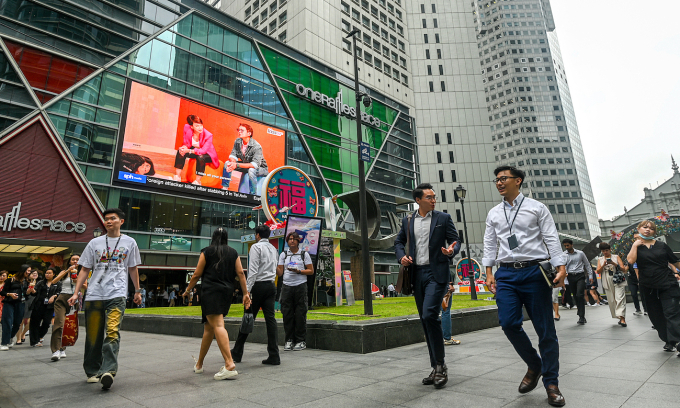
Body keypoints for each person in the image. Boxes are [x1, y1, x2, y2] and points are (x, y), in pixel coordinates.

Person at [483, 166, 566, 407]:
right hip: (506, 274)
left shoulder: (536, 208)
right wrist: (489, 272)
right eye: (497, 180)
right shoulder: (494, 213)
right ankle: (535, 363)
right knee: (508, 323)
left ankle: (551, 384)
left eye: (503, 179)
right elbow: (490, 243)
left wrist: (561, 267)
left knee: (545, 330)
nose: (499, 183)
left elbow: (551, 237)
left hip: (534, 272)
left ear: (518, 181)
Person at [68, 208, 142, 389]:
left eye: (112, 218)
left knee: (112, 331)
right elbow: (84, 269)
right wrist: (76, 293)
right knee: (93, 335)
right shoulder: (94, 243)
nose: (108, 221)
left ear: (121, 221)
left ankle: (108, 370)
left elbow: (133, 268)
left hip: (117, 294)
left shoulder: (130, 242)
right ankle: (92, 370)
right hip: (94, 295)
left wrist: (137, 290)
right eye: (106, 219)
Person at [395, 182, 460, 389]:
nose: (433, 200)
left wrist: (451, 250)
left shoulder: (443, 218)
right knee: (425, 319)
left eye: (434, 197)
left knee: (430, 314)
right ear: (418, 200)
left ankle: (440, 365)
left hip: (436, 273)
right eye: (429, 197)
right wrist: (401, 257)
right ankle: (436, 366)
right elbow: (398, 242)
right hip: (417, 274)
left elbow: (455, 240)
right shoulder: (408, 220)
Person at [184, 227, 250, 380]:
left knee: (218, 325)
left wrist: (188, 290)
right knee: (209, 327)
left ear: (213, 237)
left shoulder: (206, 251)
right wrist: (245, 293)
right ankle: (199, 364)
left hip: (210, 292)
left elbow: (197, 274)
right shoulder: (233, 252)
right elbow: (240, 273)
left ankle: (229, 364)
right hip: (226, 292)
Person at [627, 220, 680, 354]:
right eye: (645, 227)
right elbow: (631, 260)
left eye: (651, 228)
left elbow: (675, 261)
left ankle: (677, 341)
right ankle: (668, 340)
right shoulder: (636, 247)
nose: (648, 230)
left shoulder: (662, 246)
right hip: (648, 286)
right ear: (639, 229)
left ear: (654, 232)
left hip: (667, 283)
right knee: (656, 315)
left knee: (672, 312)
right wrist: (635, 245)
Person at [231, 225, 280, 365]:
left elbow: (252, 271)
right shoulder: (273, 249)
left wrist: (246, 291)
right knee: (271, 320)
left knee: (248, 316)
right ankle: (274, 355)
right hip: (271, 285)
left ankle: (237, 352)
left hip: (258, 286)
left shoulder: (256, 247)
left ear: (257, 235)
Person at [277, 232, 314, 351]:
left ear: (298, 241)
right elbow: (280, 273)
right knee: (287, 314)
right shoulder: (284, 254)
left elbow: (311, 271)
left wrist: (299, 271)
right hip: (286, 286)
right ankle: (289, 340)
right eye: (290, 239)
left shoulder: (304, 254)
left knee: (300, 313)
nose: (292, 241)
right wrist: (273, 265)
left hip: (300, 286)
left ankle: (300, 340)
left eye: (294, 239)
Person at [51, 254, 83, 361]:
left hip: (74, 300)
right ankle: (55, 350)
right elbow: (54, 281)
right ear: (69, 262)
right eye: (73, 259)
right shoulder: (64, 272)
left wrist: (77, 281)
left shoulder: (82, 272)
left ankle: (62, 348)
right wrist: (67, 271)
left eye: (77, 260)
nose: (75, 261)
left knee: (68, 325)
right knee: (59, 324)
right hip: (62, 298)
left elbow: (86, 286)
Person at [222, 123, 267, 195]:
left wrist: (236, 165)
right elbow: (233, 155)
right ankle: (225, 188)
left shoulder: (257, 146)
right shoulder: (238, 141)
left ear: (249, 133)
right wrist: (233, 163)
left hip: (261, 168)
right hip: (246, 166)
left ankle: (253, 194)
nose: (239, 132)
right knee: (227, 163)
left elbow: (255, 165)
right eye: (238, 130)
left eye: (242, 130)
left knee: (251, 170)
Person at [174, 115, 219, 185]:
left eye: (201, 125)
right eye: (197, 126)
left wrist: (188, 151)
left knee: (200, 157)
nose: (200, 128)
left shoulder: (208, 135)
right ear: (192, 126)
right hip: (195, 151)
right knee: (181, 152)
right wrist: (184, 147)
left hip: (208, 154)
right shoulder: (187, 128)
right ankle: (177, 176)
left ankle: (197, 181)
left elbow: (203, 151)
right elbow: (186, 142)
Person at [562, 239, 594, 325]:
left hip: (580, 275)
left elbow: (587, 264)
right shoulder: (564, 255)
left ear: (572, 244)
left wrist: (590, 276)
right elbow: (563, 267)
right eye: (565, 246)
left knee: (580, 294)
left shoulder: (580, 253)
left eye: (568, 245)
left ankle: (582, 316)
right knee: (575, 296)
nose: (566, 247)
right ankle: (580, 313)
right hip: (570, 276)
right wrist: (564, 280)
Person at [596, 243, 628, 327]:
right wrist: (603, 265)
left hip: (617, 278)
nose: (605, 252)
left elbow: (623, 269)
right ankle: (618, 316)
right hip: (607, 279)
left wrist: (614, 263)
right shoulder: (600, 259)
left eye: (606, 250)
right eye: (603, 251)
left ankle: (622, 318)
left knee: (620, 297)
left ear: (610, 249)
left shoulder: (616, 257)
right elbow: (598, 271)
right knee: (611, 300)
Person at [0, 265, 30, 351]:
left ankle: (10, 338)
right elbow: (3, 292)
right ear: (23, 270)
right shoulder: (11, 280)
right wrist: (10, 294)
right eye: (28, 270)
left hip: (20, 303)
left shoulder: (27, 281)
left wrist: (29, 292)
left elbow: (27, 294)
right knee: (7, 322)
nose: (29, 272)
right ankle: (4, 343)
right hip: (9, 303)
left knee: (17, 323)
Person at [29, 267, 61, 347]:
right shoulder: (41, 283)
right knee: (35, 323)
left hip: (50, 306)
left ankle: (39, 336)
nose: (47, 275)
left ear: (54, 274)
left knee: (46, 323)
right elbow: (35, 292)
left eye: (50, 273)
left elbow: (60, 292)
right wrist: (33, 290)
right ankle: (34, 341)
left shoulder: (58, 283)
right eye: (46, 273)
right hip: (39, 304)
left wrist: (54, 296)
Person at [17, 269, 39, 345]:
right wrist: (28, 291)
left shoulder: (39, 283)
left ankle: (23, 333)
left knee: (30, 321)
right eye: (33, 273)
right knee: (21, 320)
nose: (34, 274)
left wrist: (34, 291)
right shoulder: (24, 282)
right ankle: (18, 339)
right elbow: (23, 292)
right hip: (25, 301)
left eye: (36, 273)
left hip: (34, 302)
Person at [628, 233, 647, 316]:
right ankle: (638, 309)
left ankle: (646, 309)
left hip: (642, 276)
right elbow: (630, 263)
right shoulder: (632, 249)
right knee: (633, 294)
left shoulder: (645, 249)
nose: (636, 240)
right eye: (635, 238)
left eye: (638, 238)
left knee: (643, 294)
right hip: (632, 278)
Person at [441, 281, 461, 345]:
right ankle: (447, 338)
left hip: (429, 285)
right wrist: (450, 284)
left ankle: (430, 337)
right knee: (445, 311)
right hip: (443, 284)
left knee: (432, 311)